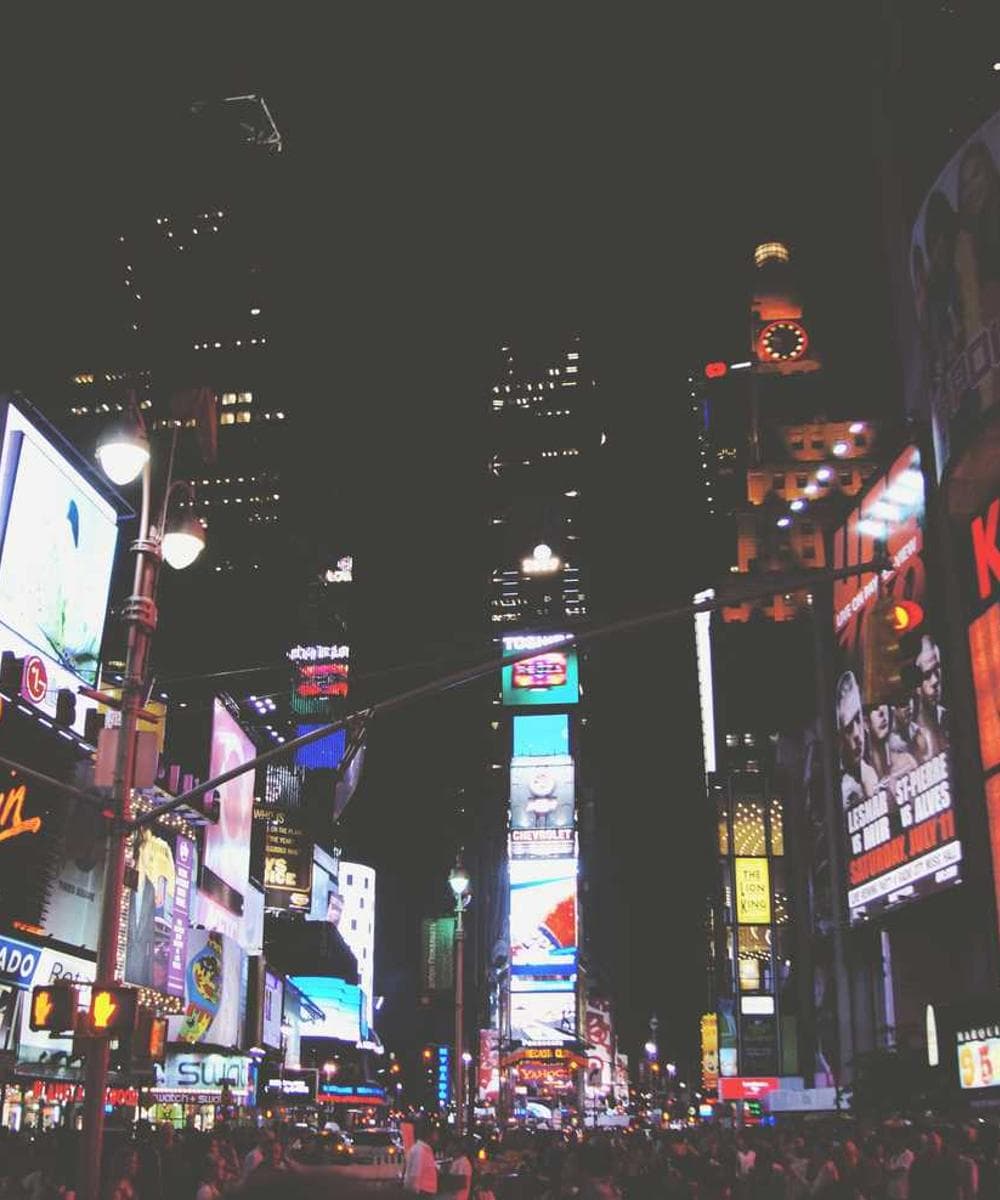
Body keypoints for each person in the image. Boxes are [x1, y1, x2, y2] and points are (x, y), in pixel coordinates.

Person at [836, 671, 878, 809]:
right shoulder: (839, 791)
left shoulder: (875, 771)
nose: (857, 735)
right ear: (839, 738)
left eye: (858, 719)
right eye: (848, 728)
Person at [912, 636, 947, 759]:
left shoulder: (949, 718)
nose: (935, 681)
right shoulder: (914, 738)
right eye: (927, 675)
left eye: (936, 669)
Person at [866, 703, 918, 783]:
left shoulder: (907, 762)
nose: (881, 712)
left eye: (884, 702)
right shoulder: (866, 779)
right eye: (874, 707)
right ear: (865, 723)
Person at [404, 1121, 439, 1196]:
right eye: (435, 1133)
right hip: (422, 1193)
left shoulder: (426, 1150)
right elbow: (415, 1175)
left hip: (426, 1193)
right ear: (429, 1134)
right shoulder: (420, 1151)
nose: (437, 1137)